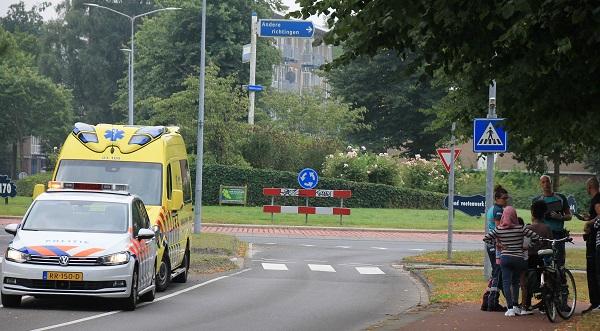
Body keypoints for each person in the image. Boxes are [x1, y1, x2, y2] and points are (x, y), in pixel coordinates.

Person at [483, 206, 540, 317]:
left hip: (505, 258)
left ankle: (509, 309)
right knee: (515, 283)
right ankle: (515, 305)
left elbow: (486, 238)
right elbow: (536, 237)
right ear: (515, 216)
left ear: (504, 216)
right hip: (519, 259)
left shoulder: (499, 229)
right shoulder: (520, 228)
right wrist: (527, 246)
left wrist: (498, 244)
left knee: (506, 282)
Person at [532, 175, 572, 269]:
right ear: (540, 184)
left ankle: (562, 281)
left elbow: (569, 215)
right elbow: (533, 219)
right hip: (543, 235)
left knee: (559, 260)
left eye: (547, 181)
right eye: (543, 182)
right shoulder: (536, 200)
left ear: (551, 183)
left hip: (558, 234)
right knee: (544, 260)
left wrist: (560, 217)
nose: (546, 184)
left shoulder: (561, 198)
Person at [522, 200, 553, 314]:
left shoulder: (528, 228)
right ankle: (546, 303)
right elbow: (550, 245)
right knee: (549, 274)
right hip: (542, 259)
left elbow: (525, 245)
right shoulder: (547, 228)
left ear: (532, 213)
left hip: (530, 259)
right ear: (544, 213)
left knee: (527, 278)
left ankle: (527, 303)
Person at [482, 185, 509, 312]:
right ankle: (492, 302)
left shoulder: (492, 208)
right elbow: (499, 229)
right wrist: (501, 243)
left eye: (507, 198)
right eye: (504, 198)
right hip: (496, 245)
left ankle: (487, 300)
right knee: (497, 272)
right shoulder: (498, 210)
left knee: (496, 273)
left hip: (491, 244)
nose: (506, 200)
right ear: (497, 198)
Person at [582, 176, 600, 314]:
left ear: (590, 187)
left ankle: (596, 303)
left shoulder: (597, 199)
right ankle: (595, 302)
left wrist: (589, 223)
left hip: (594, 241)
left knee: (594, 271)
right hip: (593, 239)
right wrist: (589, 218)